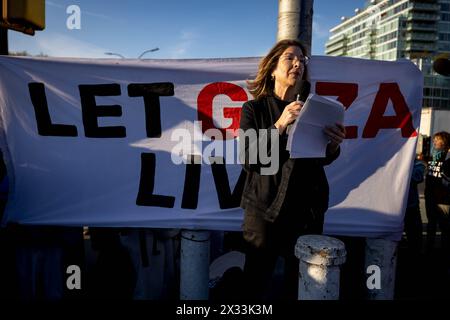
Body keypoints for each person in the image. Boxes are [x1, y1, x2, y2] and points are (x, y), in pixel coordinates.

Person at [238, 39, 345, 300]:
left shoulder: (314, 108)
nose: (298, 63)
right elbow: (250, 157)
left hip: (305, 209)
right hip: (264, 211)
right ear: (273, 68)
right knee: (256, 281)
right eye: (290, 57)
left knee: (299, 283)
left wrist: (332, 144)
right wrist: (281, 123)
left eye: (302, 60)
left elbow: (321, 159)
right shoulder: (254, 108)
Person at [424, 131, 450, 253]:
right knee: (431, 223)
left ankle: (444, 251)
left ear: (445, 143)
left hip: (443, 199)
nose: (434, 142)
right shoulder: (433, 157)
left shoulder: (448, 159)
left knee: (445, 226)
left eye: (437, 140)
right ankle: (429, 248)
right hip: (430, 196)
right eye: (434, 140)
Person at [403, 156, 425, 254]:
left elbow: (418, 177)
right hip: (394, 207)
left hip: (410, 206)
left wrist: (402, 169)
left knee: (415, 239)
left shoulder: (417, 163)